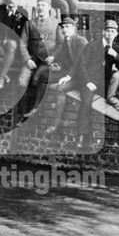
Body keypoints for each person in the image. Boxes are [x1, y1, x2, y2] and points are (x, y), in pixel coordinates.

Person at [45, 17, 95, 148]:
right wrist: (56, 64)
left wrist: (67, 77)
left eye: (68, 27)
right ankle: (56, 122)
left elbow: (79, 63)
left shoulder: (81, 41)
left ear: (74, 28)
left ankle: (63, 127)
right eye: (63, 27)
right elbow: (61, 56)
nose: (65, 30)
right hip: (73, 75)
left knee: (63, 89)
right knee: (46, 78)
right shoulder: (66, 41)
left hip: (83, 77)